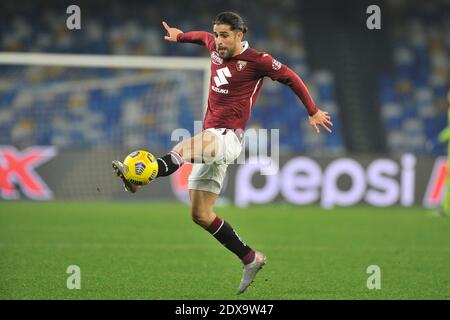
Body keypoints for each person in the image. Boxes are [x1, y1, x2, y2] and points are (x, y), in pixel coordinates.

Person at [112, 11, 333, 294]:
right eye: (217, 34)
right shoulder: (215, 48)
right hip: (213, 137)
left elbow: (291, 77)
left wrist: (312, 111)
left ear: (240, 35)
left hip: (227, 137)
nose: (218, 41)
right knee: (201, 214)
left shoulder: (258, 60)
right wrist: (180, 37)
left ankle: (142, 173)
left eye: (224, 35)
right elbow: (201, 37)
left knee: (183, 148)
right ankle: (250, 258)